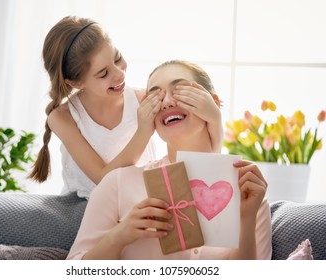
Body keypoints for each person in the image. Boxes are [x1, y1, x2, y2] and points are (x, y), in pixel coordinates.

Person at [66, 60, 272, 260]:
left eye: (181, 91)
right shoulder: (119, 183)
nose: (166, 102)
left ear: (214, 102)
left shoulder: (247, 193)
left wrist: (247, 219)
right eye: (155, 97)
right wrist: (119, 236)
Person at [29, 16, 163, 198]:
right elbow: (103, 178)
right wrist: (144, 131)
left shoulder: (143, 99)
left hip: (140, 201)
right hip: (87, 206)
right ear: (76, 83)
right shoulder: (63, 118)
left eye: (117, 59)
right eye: (103, 74)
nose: (119, 73)